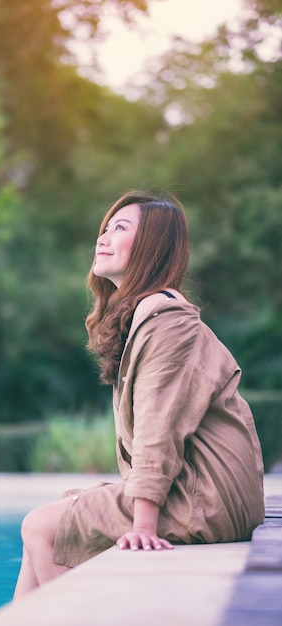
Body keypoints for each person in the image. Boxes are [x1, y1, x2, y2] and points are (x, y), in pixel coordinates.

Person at [13, 190, 265, 600]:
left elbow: (158, 428)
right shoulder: (147, 316)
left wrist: (142, 524)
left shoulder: (167, 320)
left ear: (151, 247)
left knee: (40, 527)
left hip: (210, 500)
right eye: (105, 228)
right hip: (204, 493)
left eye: (120, 228)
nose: (103, 237)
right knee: (51, 525)